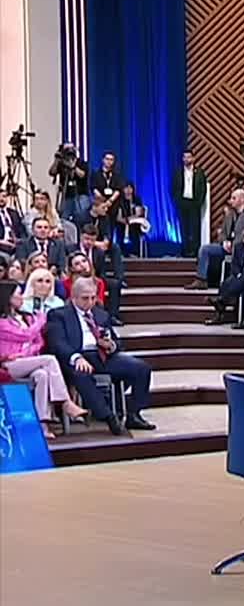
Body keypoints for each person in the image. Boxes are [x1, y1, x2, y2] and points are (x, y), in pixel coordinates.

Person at [47, 278, 154, 435]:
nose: (90, 302)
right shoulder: (59, 315)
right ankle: (108, 416)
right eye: (85, 298)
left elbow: (116, 341)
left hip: (102, 355)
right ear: (73, 297)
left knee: (141, 368)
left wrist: (111, 345)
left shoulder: (100, 314)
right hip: (77, 356)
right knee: (81, 374)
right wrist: (76, 357)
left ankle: (134, 414)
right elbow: (58, 343)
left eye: (93, 298)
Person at [0, 283, 88, 439]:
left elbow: (39, 341)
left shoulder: (26, 317)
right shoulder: (2, 322)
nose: (21, 297)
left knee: (42, 375)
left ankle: (42, 424)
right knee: (49, 360)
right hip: (8, 365)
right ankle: (66, 402)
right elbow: (25, 335)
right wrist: (41, 320)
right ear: (8, 298)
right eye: (18, 294)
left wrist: (25, 351)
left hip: (30, 360)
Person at [171, 149, 208, 258]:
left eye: (189, 157)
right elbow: (174, 188)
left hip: (194, 203)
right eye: (185, 157)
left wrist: (199, 202)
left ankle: (195, 251)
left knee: (195, 228)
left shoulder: (199, 172)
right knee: (184, 228)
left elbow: (203, 189)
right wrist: (177, 201)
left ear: (193, 158)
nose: (187, 159)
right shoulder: (178, 173)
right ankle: (185, 250)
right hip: (183, 202)